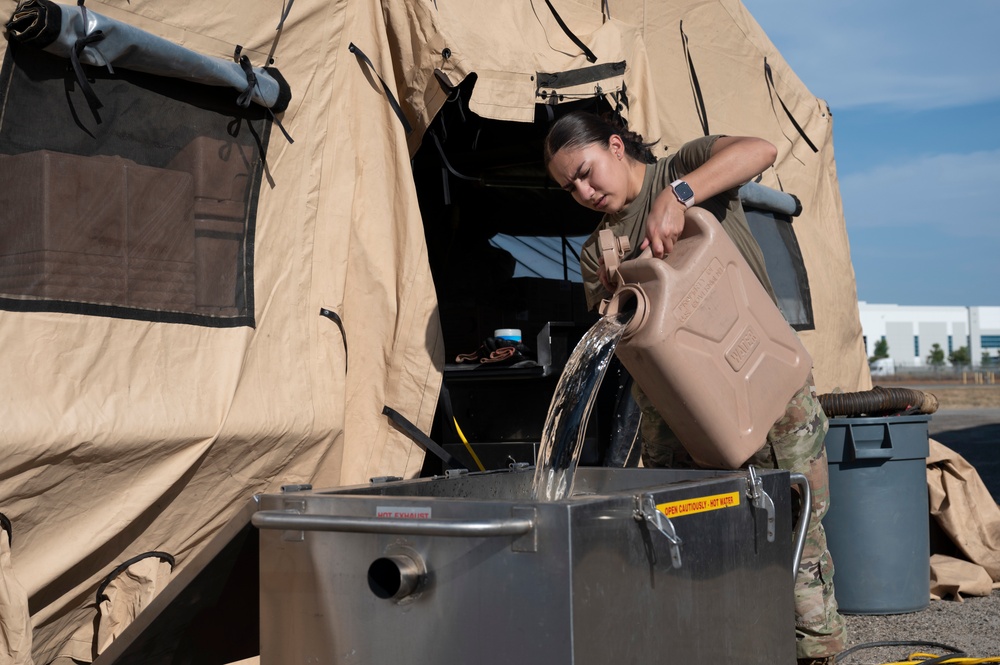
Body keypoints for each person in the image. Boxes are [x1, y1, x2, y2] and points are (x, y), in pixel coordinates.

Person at [544, 110, 847, 665]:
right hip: (675, 414)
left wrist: (680, 195)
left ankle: (815, 654)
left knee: (795, 530)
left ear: (616, 146)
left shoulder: (680, 170)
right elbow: (626, 337)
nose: (584, 192)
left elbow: (760, 147)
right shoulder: (598, 250)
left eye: (587, 172)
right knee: (700, 536)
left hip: (762, 383)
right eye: (571, 188)